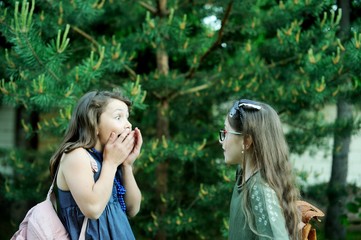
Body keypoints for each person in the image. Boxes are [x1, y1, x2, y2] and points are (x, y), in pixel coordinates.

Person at [49, 90, 142, 239]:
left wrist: (126, 165)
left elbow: (133, 209)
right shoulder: (76, 155)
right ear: (94, 124)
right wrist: (111, 163)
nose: (128, 125)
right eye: (118, 117)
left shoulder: (108, 160)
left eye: (127, 118)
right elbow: (93, 209)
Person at [219, 99, 301, 239]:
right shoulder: (242, 173)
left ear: (246, 141)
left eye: (226, 132)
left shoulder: (259, 190)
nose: (221, 140)